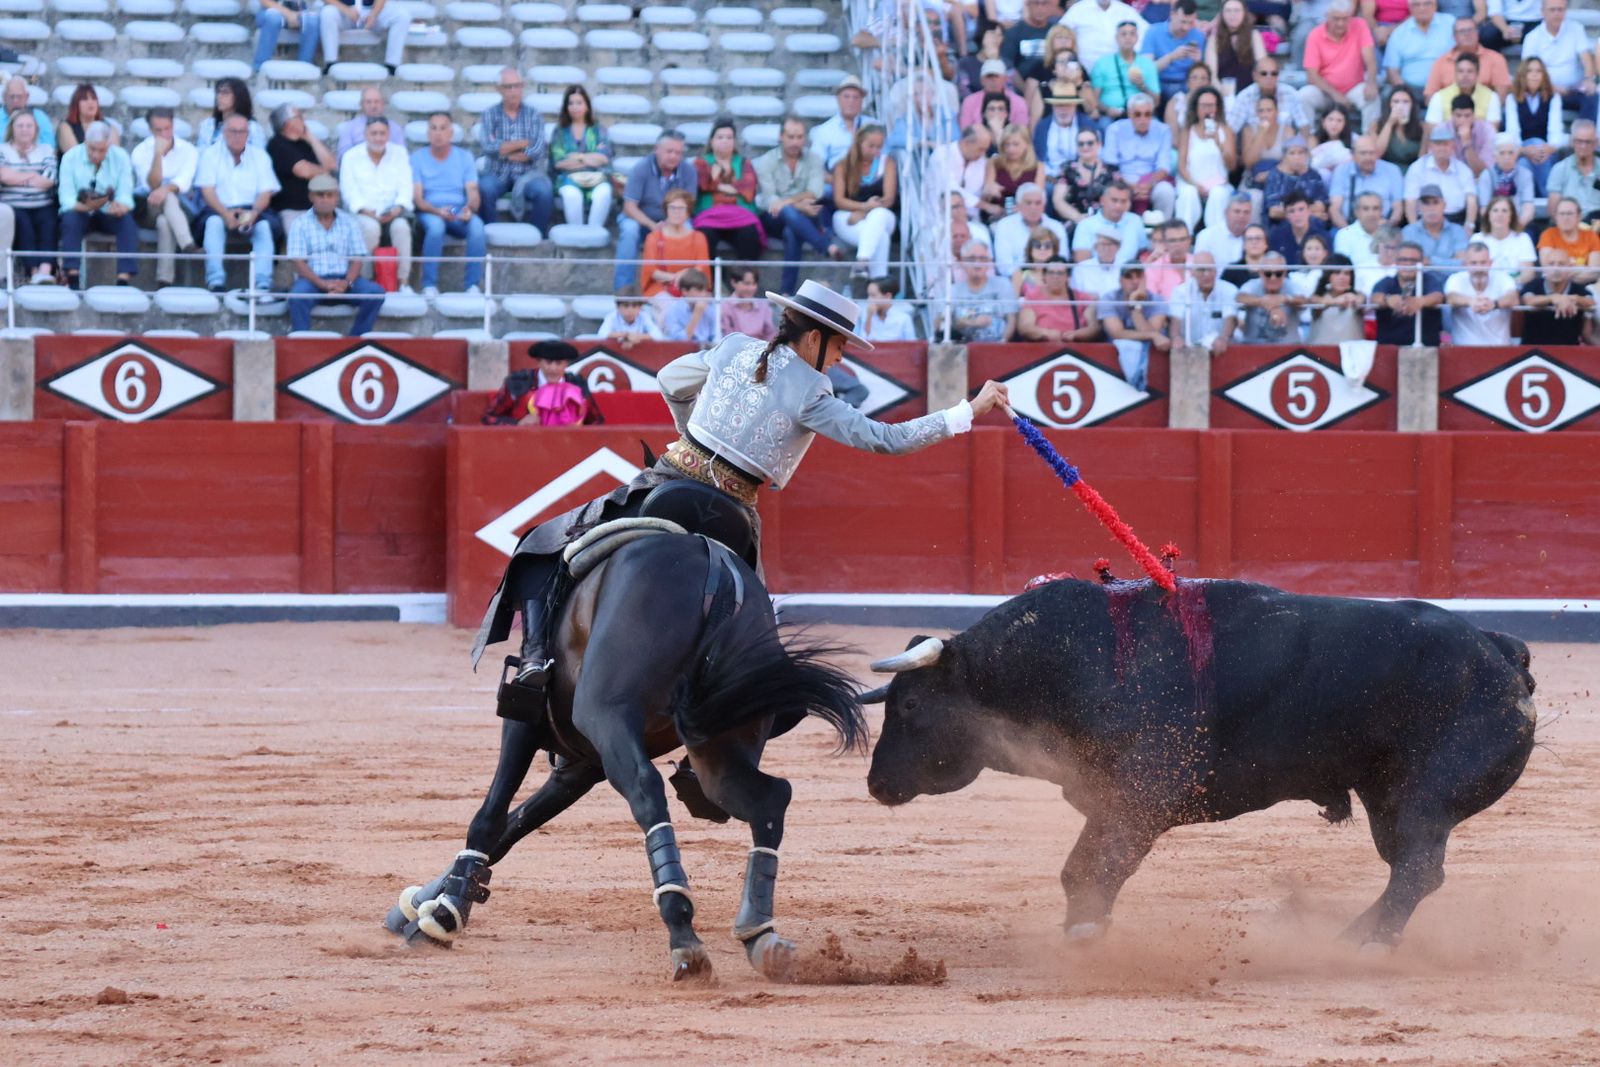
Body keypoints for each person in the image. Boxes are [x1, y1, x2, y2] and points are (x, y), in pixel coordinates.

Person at [481, 277, 1014, 714]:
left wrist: (690, 433)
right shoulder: (812, 390)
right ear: (815, 339)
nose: (841, 358)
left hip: (667, 481)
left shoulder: (734, 347)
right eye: (841, 346)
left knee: (553, 544)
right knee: (751, 639)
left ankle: (534, 662)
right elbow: (886, 439)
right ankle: (710, 738)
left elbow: (668, 378)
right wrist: (969, 410)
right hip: (732, 515)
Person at [286, 174, 386, 335]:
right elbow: (298, 262)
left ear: (337, 197)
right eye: (320, 195)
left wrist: (346, 283)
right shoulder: (300, 223)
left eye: (329, 195)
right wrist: (322, 284)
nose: (325, 199)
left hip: (346, 280)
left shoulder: (349, 222)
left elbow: (357, 259)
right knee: (297, 297)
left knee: (375, 294)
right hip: (313, 281)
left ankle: (355, 341)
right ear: (311, 196)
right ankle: (302, 342)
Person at [195, 113, 279, 294]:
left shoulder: (260, 156)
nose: (238, 135)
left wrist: (253, 214)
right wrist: (226, 215)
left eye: (242, 132)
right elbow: (207, 190)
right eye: (233, 131)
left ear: (248, 134)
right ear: (224, 132)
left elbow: (266, 191)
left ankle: (263, 283)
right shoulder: (210, 155)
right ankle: (215, 280)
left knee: (264, 227)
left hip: (253, 209)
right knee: (213, 224)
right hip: (218, 209)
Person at [756, 117, 833, 296]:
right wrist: (797, 205)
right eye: (790, 136)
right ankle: (824, 245)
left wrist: (788, 202)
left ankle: (786, 292)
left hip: (803, 218)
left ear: (805, 139)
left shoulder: (813, 159)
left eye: (799, 137)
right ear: (781, 136)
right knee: (786, 211)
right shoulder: (767, 161)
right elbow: (772, 201)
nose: (795, 142)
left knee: (791, 232)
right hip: (773, 218)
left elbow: (815, 192)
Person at [411, 112, 484, 298]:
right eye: (433, 128)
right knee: (436, 227)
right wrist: (437, 211)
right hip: (430, 210)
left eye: (443, 128)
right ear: (428, 133)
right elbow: (418, 199)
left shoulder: (464, 157)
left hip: (457, 209)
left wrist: (469, 208)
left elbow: (473, 191)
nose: (438, 133)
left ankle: (472, 285)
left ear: (451, 132)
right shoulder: (417, 158)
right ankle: (429, 285)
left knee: (477, 227)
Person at [57, 122, 138, 289]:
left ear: (109, 145)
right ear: (85, 142)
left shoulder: (121, 156)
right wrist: (90, 205)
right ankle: (72, 277)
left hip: (108, 212)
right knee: (70, 219)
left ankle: (123, 279)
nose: (95, 154)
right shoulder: (70, 157)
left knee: (127, 221)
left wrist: (121, 206)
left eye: (101, 150)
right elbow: (66, 200)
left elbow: (126, 194)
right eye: (92, 149)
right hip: (80, 211)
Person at [616, 130, 698, 291]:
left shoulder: (688, 171)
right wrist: (653, 225)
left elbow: (689, 205)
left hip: (675, 217)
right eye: (669, 151)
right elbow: (629, 207)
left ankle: (684, 286)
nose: (674, 156)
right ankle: (624, 291)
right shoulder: (641, 168)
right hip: (640, 218)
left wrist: (670, 224)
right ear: (656, 149)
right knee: (629, 231)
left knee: (688, 230)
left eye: (678, 153)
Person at [340, 118, 414, 293]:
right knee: (370, 228)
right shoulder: (351, 156)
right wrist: (366, 211)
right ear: (366, 135)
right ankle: (364, 280)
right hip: (363, 212)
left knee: (402, 228)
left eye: (382, 133)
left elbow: (406, 186)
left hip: (394, 211)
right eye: (374, 133)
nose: (378, 138)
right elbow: (349, 192)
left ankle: (403, 282)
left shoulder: (400, 153)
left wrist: (398, 208)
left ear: (388, 135)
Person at [478, 68, 554, 234]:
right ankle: (490, 234)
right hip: (497, 173)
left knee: (544, 190)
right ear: (498, 89)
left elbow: (537, 149)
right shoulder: (489, 114)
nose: (513, 91)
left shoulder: (534, 115)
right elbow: (488, 147)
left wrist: (504, 149)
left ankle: (537, 236)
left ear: (523, 86)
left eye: (516, 86)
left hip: (528, 174)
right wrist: (523, 143)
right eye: (508, 87)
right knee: (484, 187)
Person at [130, 107, 199, 288]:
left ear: (173, 126)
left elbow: (184, 182)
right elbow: (151, 185)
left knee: (164, 219)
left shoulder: (189, 150)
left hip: (182, 209)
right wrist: (157, 155)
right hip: (149, 206)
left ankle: (164, 281)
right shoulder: (141, 151)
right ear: (151, 130)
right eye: (158, 130)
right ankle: (188, 244)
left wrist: (165, 189)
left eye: (167, 128)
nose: (164, 134)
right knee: (165, 200)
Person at [828, 124, 897, 280]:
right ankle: (879, 283)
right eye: (871, 146)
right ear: (859, 143)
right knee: (881, 237)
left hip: (882, 214)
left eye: (879, 147)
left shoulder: (887, 162)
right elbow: (839, 200)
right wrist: (863, 207)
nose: (875, 151)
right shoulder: (843, 165)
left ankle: (862, 262)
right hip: (850, 216)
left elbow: (889, 198)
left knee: (878, 215)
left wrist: (866, 212)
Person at [1299, 0, 1381, 129]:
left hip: (1353, 87)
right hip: (1325, 91)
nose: (1341, 23)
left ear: (1351, 17)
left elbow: (1370, 59)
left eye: (1345, 19)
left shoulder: (1360, 25)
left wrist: (1371, 83)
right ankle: (1307, 140)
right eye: (1336, 19)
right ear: (1327, 17)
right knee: (1303, 96)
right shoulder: (1315, 35)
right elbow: (1312, 76)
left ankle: (1368, 142)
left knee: (1372, 98)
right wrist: (1335, 94)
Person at [481, 340, 604, 426]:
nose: (553, 369)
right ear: (539, 362)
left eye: (558, 363)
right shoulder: (518, 383)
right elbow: (488, 418)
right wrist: (518, 423)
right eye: (549, 363)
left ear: (566, 364)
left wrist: (579, 426)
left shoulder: (577, 385)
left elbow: (597, 421)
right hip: (525, 445)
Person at [694, 117, 765, 265]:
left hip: (740, 215)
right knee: (704, 237)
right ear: (712, 141)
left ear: (734, 142)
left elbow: (748, 189)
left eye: (729, 137)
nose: (725, 141)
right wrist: (731, 188)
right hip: (709, 215)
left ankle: (745, 283)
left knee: (749, 234)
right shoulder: (701, 163)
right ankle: (711, 284)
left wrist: (714, 184)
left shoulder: (744, 163)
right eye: (720, 137)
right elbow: (702, 185)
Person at [266, 103, 337, 241]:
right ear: (286, 123)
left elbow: (332, 165)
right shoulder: (277, 144)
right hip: (292, 210)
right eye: (299, 116)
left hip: (318, 207)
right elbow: (304, 170)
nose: (303, 120)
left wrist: (311, 138)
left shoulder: (306, 144)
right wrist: (325, 172)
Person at [0, 110, 56, 284]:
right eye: (20, 126)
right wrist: (33, 175)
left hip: (42, 203)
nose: (25, 130)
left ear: (36, 129)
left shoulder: (46, 150)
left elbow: (50, 179)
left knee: (50, 222)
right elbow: (4, 177)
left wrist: (18, 176)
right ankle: (33, 272)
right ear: (12, 128)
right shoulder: (2, 150)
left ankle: (45, 272)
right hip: (13, 204)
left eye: (29, 126)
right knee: (23, 224)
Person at [549, 85, 613, 229]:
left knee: (604, 192)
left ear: (587, 106)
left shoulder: (597, 129)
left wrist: (578, 157)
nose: (574, 107)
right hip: (567, 178)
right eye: (570, 103)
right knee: (572, 195)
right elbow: (559, 163)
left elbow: (603, 158)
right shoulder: (560, 131)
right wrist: (590, 159)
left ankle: (593, 233)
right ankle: (576, 234)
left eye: (579, 103)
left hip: (596, 178)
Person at [1098, 261, 1169, 389]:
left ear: (1145, 279)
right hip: (1112, 365)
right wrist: (1153, 335)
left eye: (1139, 276)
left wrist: (1135, 306)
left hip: (1152, 366)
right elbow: (1116, 333)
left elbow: (1150, 332)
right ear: (1120, 280)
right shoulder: (1109, 298)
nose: (1135, 281)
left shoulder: (1157, 300)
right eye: (1129, 277)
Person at [1102, 93, 1174, 216]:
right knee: (1114, 190)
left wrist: (1148, 185)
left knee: (1166, 191)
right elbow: (1110, 165)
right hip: (1123, 178)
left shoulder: (1163, 130)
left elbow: (1164, 166)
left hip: (1152, 179)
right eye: (1137, 114)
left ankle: (1163, 230)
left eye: (1147, 114)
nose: (1143, 119)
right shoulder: (1115, 129)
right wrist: (1131, 186)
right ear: (1129, 114)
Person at [1174, 86, 1236, 230]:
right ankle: (1184, 235)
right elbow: (1182, 166)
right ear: (1196, 107)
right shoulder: (1188, 131)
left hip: (1217, 183)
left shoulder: (1225, 130)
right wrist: (1196, 185)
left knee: (1218, 195)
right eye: (1204, 105)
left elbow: (1231, 165)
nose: (1208, 109)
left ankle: (1214, 238)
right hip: (1192, 182)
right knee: (1188, 195)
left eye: (1211, 105)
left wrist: (1218, 142)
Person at [1504, 58, 1566, 196]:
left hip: (1546, 151)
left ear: (1544, 75)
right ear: (1522, 75)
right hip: (1521, 150)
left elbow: (1555, 131)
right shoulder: (1512, 99)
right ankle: (1543, 197)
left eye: (1538, 71)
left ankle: (1542, 198)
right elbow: (1512, 133)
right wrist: (1524, 150)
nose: (1534, 75)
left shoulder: (1553, 97)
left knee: (1536, 150)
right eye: (1529, 71)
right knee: (1523, 164)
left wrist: (1549, 148)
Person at [638, 189, 710, 301]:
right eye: (672, 208)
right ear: (666, 210)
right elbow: (651, 271)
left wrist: (683, 276)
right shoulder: (653, 237)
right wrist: (676, 278)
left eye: (681, 208)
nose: (676, 212)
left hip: (693, 287)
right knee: (668, 309)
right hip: (661, 289)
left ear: (688, 212)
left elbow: (701, 267)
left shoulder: (698, 237)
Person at [1521, 0, 1592, 111]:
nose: (1556, 13)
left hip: (1573, 90)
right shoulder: (1532, 37)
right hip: (1544, 91)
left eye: (1560, 9)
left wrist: (1589, 79)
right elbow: (1527, 71)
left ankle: (1585, 128)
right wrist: (1551, 87)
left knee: (1592, 97)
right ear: (1542, 12)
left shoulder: (1576, 29)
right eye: (1552, 10)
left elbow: (1586, 57)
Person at [1443, 241, 1517, 344]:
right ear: (1465, 264)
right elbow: (1451, 298)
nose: (1479, 268)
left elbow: (1513, 297)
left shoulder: (1504, 278)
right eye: (1474, 263)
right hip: (1463, 351)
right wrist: (1471, 301)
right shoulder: (1456, 278)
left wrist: (1494, 304)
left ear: (1490, 263)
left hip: (1500, 349)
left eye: (1483, 262)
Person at [1372, 240, 1444, 344]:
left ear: (1422, 262)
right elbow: (1375, 297)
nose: (1408, 264)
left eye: (1414, 260)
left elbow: (1438, 296)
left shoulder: (1430, 280)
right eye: (1403, 260)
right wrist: (1388, 300)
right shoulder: (1387, 282)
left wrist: (1420, 302)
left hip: (1426, 350)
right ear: (1396, 261)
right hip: (1390, 350)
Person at [1520, 247, 1595, 345]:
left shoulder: (1579, 289)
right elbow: (1529, 300)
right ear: (1544, 268)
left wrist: (1571, 298)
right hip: (1533, 352)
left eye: (1561, 264)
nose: (1556, 269)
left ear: (1570, 267)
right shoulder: (1532, 286)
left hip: (1570, 351)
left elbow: (1591, 302)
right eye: (1551, 264)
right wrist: (1553, 298)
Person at [1423, 15, 1511, 99]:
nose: (1467, 34)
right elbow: (1431, 97)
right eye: (1461, 31)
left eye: (1470, 30)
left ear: (1478, 33)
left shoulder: (1496, 59)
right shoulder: (1441, 62)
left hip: (1486, 111)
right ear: (1454, 37)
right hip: (1448, 112)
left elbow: (1501, 96)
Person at [1405, 125, 1477, 225]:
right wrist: (1414, 227)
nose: (1442, 148)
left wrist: (1469, 226)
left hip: (1456, 221)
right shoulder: (1417, 168)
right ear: (1430, 146)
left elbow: (1471, 200)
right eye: (1438, 144)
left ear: (1453, 146)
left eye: (1446, 144)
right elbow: (1410, 201)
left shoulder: (1463, 170)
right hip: (1424, 221)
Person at [1328, 136, 1406, 229]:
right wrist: (1348, 232)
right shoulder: (1341, 171)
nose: (1368, 157)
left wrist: (1386, 229)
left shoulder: (1392, 170)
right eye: (1363, 153)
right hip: (1348, 227)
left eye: (1371, 153)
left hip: (1383, 228)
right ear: (1353, 155)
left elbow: (1398, 208)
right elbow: (1335, 209)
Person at [1167, 251, 1238, 353]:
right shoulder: (1180, 292)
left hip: (1222, 349)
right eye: (1201, 270)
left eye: (1210, 269)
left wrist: (1224, 338)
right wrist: (1176, 337)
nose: (1206, 274)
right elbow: (1175, 320)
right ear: (1192, 272)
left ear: (1216, 270)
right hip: (1188, 349)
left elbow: (1230, 318)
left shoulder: (1229, 290)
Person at [1018, 254, 1100, 341]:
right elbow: (1025, 327)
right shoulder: (1032, 297)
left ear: (1067, 277)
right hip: (1042, 347)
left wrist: (1077, 334)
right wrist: (1046, 333)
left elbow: (1094, 327)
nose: (1055, 277)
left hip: (1074, 347)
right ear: (1044, 276)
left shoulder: (1082, 298)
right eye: (1051, 272)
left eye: (1060, 273)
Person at [1382, 0, 1457, 95]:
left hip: (1446, 88)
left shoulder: (1450, 23)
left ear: (1435, 6)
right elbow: (1392, 70)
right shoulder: (1399, 33)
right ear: (1410, 8)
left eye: (1427, 3)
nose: (1422, 8)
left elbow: (1464, 54)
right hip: (1410, 90)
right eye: (1416, 4)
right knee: (1387, 95)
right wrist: (1406, 94)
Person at [949, 239, 1018, 341]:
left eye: (983, 259)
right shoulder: (953, 290)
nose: (977, 264)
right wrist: (973, 323)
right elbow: (945, 323)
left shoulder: (1003, 285)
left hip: (999, 347)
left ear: (989, 261)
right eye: (971, 259)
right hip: (963, 348)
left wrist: (1002, 344)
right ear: (962, 262)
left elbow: (1012, 320)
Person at [318, 0, 411, 74]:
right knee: (328, 13)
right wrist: (346, 10)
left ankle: (391, 65)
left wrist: (374, 14)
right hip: (344, 11)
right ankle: (331, 63)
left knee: (401, 15)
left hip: (370, 10)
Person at [993, 182, 1067, 275]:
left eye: (1038, 203)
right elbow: (1004, 266)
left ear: (1044, 206)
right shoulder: (1005, 226)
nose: (1033, 207)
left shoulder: (1056, 227)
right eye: (1028, 203)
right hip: (1016, 282)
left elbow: (1063, 261)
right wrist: (1028, 278)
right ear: (1019, 205)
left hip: (1051, 280)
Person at [1091, 21, 1161, 119]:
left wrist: (1142, 85)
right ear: (1117, 38)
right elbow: (1094, 97)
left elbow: (1156, 102)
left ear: (1137, 38)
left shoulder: (1148, 64)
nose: (1128, 37)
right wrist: (1107, 110)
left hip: (1141, 115)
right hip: (1110, 115)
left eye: (1132, 34)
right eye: (1123, 34)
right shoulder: (1102, 63)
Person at [1402, 184, 1470, 282]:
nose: (1431, 208)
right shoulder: (1408, 232)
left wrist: (1430, 261)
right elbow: (1409, 267)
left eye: (1435, 202)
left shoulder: (1458, 231)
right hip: (1418, 285)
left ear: (1444, 205)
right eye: (1426, 203)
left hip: (1451, 284)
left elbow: (1463, 265)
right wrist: (1449, 263)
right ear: (1418, 207)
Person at [981, 123, 1048, 223]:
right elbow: (986, 194)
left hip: (1027, 216)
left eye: (1016, 144)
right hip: (998, 215)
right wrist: (989, 191)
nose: (1010, 149)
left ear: (1026, 144)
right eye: (1007, 144)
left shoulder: (1038, 166)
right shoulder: (994, 163)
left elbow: (1039, 196)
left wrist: (1022, 209)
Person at [1226, 58, 1309, 136]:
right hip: (1255, 147)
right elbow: (1232, 129)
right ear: (1255, 76)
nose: (1269, 77)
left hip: (1285, 147)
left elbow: (1303, 125)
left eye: (1274, 73)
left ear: (1278, 76)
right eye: (1264, 73)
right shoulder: (1244, 97)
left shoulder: (1291, 93)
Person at [811, 76, 877, 173]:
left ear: (862, 101)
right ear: (838, 99)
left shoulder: (873, 125)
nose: (851, 101)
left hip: (868, 179)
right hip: (836, 181)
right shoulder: (824, 131)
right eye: (846, 97)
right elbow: (815, 167)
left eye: (856, 97)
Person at [1142, 0, 1206, 102]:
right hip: (1159, 83)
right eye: (1183, 22)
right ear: (1172, 15)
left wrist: (1198, 62)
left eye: (1191, 23)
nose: (1186, 27)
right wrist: (1171, 57)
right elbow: (1147, 70)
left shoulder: (1198, 36)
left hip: (1187, 84)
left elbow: (1203, 74)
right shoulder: (1153, 32)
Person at [1060, 0, 1148, 73]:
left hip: (1121, 71)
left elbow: (1147, 33)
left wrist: (1133, 58)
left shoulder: (1125, 10)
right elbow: (1059, 32)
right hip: (1084, 73)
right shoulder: (1078, 9)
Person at [1234, 251, 1301, 343]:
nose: (1273, 278)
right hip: (1254, 347)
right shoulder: (1252, 284)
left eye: (1278, 273)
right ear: (1261, 273)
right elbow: (1240, 297)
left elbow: (1305, 300)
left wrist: (1285, 299)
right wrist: (1266, 303)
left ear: (1285, 272)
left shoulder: (1292, 285)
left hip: (1288, 348)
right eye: (1268, 273)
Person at [1422, 53, 1501, 129]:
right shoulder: (1439, 97)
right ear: (1455, 73)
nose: (1465, 76)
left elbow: (1492, 130)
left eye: (1470, 71)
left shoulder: (1491, 97)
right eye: (1460, 71)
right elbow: (1432, 129)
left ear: (1477, 74)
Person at [1206, 0, 1268, 95]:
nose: (1232, 14)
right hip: (1223, 93)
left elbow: (1263, 66)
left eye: (1237, 10)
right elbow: (1211, 75)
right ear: (1222, 14)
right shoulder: (1214, 39)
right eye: (1228, 11)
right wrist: (1221, 92)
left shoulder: (1254, 35)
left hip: (1250, 92)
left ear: (1244, 13)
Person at [1051, 126, 1112, 222]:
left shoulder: (1111, 170)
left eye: (1090, 143)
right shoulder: (1068, 168)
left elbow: (1119, 200)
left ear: (1099, 145)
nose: (1085, 147)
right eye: (1081, 144)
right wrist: (1079, 218)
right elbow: (1058, 200)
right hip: (1075, 221)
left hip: (1105, 221)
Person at [1545, 119, 1600, 221]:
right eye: (1579, 141)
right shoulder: (1559, 169)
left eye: (1588, 142)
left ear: (1596, 143)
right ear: (1571, 141)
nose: (1583, 146)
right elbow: (1553, 210)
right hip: (1569, 225)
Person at [1536, 195, 1600, 283]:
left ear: (1579, 216)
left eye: (1570, 213)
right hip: (1555, 286)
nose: (1565, 218)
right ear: (1556, 217)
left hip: (1586, 286)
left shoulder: (1591, 236)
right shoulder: (1548, 234)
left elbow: (1594, 272)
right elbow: (1548, 270)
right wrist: (1580, 269)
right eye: (1562, 214)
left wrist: (1563, 271)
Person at [1476, 135, 1535, 230]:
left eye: (1511, 153)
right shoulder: (1486, 175)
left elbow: (1528, 205)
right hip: (1492, 225)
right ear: (1495, 156)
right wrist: (1497, 227)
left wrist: (1517, 227)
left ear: (1516, 155)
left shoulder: (1525, 174)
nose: (1507, 157)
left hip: (1519, 223)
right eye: (1502, 153)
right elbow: (1484, 208)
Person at [1304, 254, 1367, 342]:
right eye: (1337, 273)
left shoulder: (1359, 296)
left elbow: (1361, 301)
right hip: (1320, 352)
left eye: (1346, 273)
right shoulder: (1317, 297)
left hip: (1350, 353)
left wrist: (1354, 300)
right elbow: (1314, 301)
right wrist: (1335, 301)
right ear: (1328, 276)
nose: (1342, 277)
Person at [1264, 138, 1328, 222]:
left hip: (1311, 223)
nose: (1297, 157)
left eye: (1300, 153)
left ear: (1306, 155)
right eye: (1292, 153)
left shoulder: (1313, 175)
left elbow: (1321, 206)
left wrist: (1292, 211)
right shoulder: (1275, 176)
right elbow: (1274, 212)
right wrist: (1310, 214)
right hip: (1283, 223)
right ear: (1284, 157)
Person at [1476, 195, 1537, 283]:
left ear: (1511, 216)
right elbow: (1473, 271)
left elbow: (1528, 274)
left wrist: (1507, 286)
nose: (1499, 214)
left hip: (1515, 289)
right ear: (1488, 215)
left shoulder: (1523, 238)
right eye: (1495, 210)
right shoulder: (1478, 238)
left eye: (1504, 211)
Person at [1004, 0, 1064, 85]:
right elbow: (1009, 66)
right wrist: (1024, 90)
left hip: (1052, 86)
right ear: (1028, 5)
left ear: (1051, 7)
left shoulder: (1056, 32)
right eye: (1036, 3)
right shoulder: (1014, 32)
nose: (1040, 8)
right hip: (1021, 86)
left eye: (1044, 3)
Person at [196, 78, 265, 151]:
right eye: (218, 92)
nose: (219, 96)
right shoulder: (208, 125)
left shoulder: (252, 128)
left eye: (225, 93)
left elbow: (259, 157)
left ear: (238, 96)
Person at [335, 86, 403, 158]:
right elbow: (343, 156)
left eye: (377, 102)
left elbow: (401, 155)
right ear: (361, 105)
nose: (373, 106)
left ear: (383, 104)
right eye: (368, 102)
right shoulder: (349, 128)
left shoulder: (395, 128)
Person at [961, 58, 1031, 127]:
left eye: (996, 76)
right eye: (989, 76)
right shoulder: (969, 102)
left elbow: (1021, 131)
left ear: (1005, 79)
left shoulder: (1019, 102)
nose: (993, 80)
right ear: (981, 80)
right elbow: (966, 131)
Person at [253, 0, 319, 72]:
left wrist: (298, 15)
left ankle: (304, 69)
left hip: (300, 13)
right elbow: (265, 2)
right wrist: (289, 14)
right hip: (272, 10)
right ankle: (259, 68)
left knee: (312, 21)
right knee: (273, 18)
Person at [1033, 93, 1089, 175]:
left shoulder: (1087, 124)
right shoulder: (1042, 127)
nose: (1064, 109)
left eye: (1068, 105)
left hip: (1080, 176)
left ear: (1075, 106)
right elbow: (1037, 157)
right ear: (1053, 107)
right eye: (1059, 105)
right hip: (1048, 176)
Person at [1268, 190, 1330, 264]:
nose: (1297, 215)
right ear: (1286, 215)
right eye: (1291, 211)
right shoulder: (1276, 236)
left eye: (1301, 209)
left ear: (1309, 210)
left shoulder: (1323, 236)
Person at [57, 84, 120, 155]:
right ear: (76, 104)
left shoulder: (109, 127)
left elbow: (115, 156)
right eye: (85, 99)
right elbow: (74, 156)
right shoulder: (65, 127)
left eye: (94, 98)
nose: (90, 102)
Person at [1374, 87, 1426, 170]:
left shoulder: (1422, 127)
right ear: (1389, 104)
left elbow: (1423, 159)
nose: (1400, 106)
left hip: (1413, 172)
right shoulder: (1376, 125)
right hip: (1386, 172)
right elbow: (1376, 154)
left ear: (1412, 105)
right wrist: (1389, 123)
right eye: (1396, 102)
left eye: (1406, 102)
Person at [660, 268, 716, 345]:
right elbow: (678, 342)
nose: (704, 294)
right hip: (683, 353)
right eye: (699, 290)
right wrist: (697, 314)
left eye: (705, 290)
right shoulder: (673, 311)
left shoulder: (710, 309)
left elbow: (716, 337)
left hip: (707, 352)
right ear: (685, 291)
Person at [597, 286, 666, 348]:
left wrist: (638, 337)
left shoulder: (644, 316)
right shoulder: (612, 317)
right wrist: (626, 335)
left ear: (640, 308)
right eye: (626, 306)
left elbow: (658, 335)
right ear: (617, 307)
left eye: (634, 306)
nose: (630, 310)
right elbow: (601, 334)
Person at [1197, 191, 1253, 266]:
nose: (1241, 216)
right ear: (1226, 213)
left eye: (1246, 212)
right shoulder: (1207, 236)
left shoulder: (1255, 236)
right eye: (1237, 211)